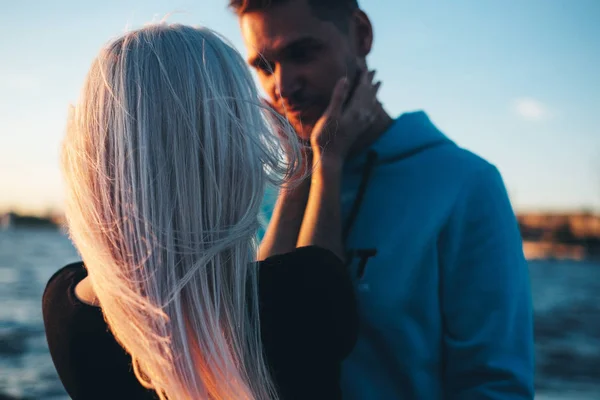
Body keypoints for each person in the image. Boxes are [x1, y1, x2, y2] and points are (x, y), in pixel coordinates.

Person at [42, 23, 381, 400]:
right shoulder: (306, 297)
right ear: (227, 149)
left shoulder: (63, 304)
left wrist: (300, 166)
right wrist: (327, 162)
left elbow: (264, 288)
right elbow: (294, 283)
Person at [229, 0, 536, 398]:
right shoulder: (266, 193)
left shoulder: (465, 183)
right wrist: (303, 171)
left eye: (301, 53)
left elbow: (495, 385)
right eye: (263, 66)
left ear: (361, 34)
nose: (283, 87)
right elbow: (253, 348)